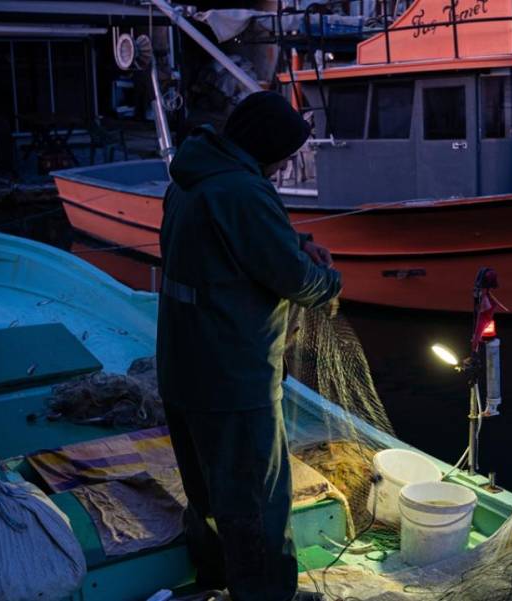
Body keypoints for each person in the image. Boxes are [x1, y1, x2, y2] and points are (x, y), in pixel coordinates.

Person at [156, 91, 341, 601]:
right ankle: (264, 596)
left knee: (209, 492)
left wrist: (296, 239)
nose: (285, 166)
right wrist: (330, 281)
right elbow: (293, 280)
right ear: (267, 149)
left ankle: (215, 580)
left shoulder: (195, 175)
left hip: (183, 369)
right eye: (284, 155)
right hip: (233, 378)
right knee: (258, 503)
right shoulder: (242, 191)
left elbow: (228, 244)